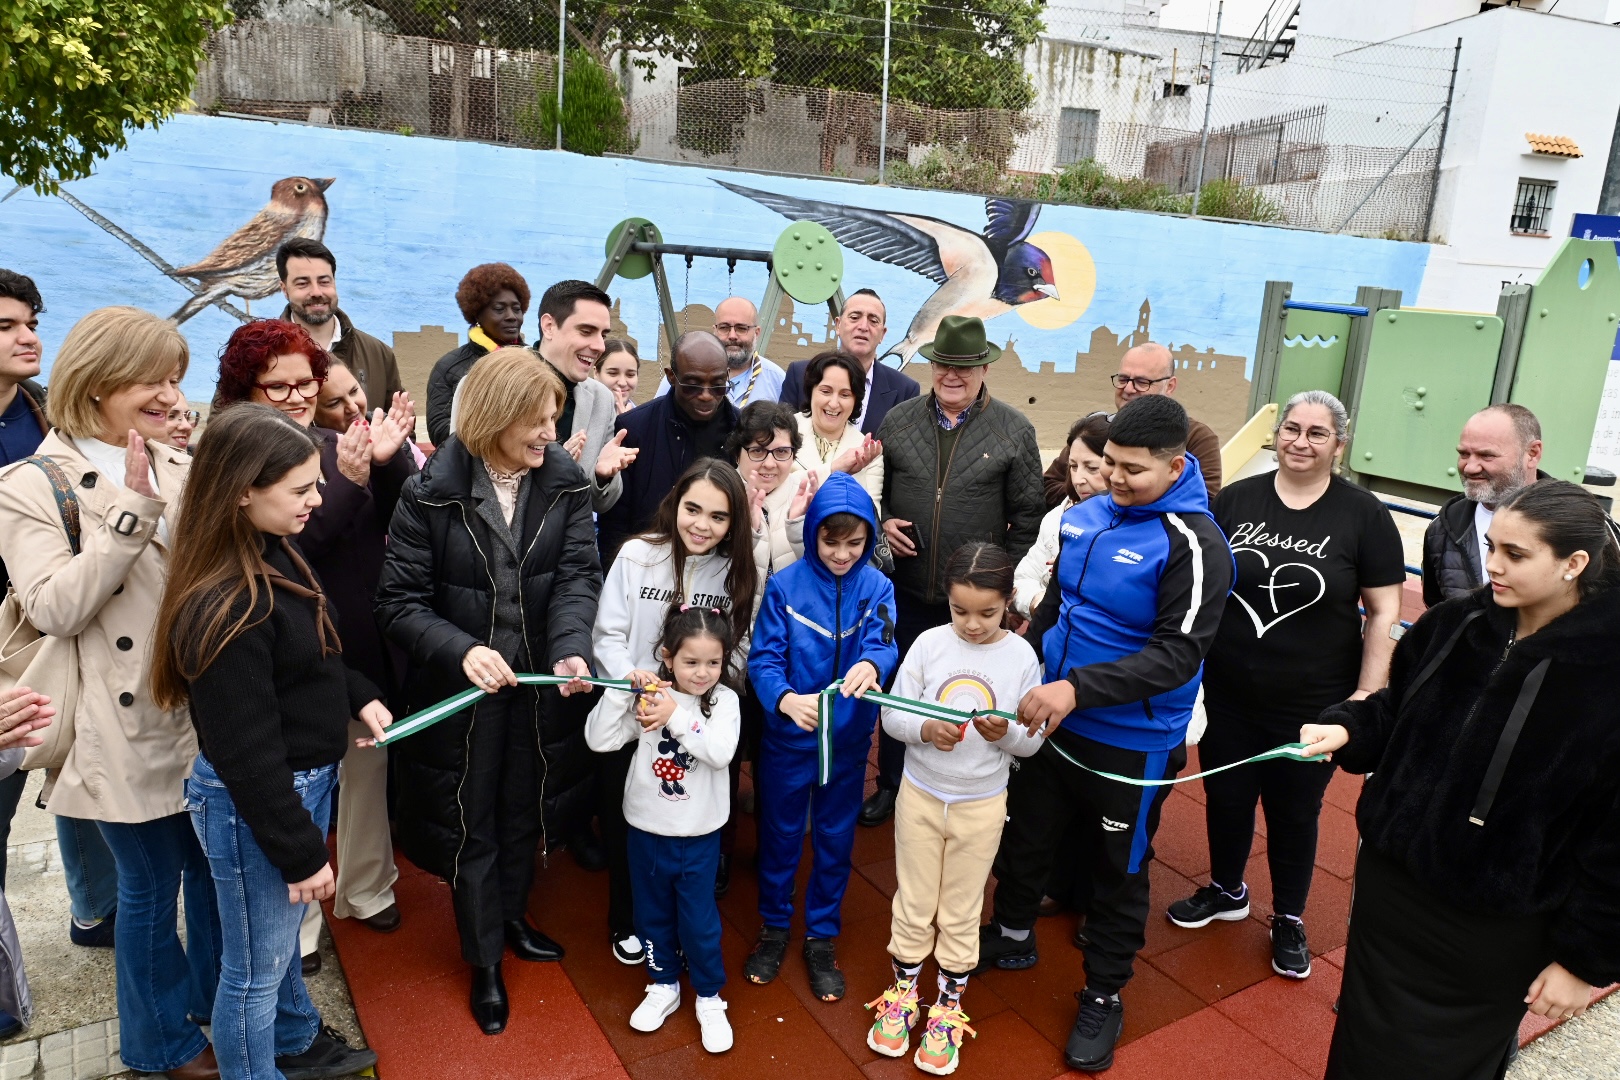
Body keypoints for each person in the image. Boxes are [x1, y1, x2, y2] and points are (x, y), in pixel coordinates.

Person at [1301, 479, 1620, 1078]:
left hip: (1493, 928)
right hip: (1391, 893)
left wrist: (1585, 960)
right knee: (1360, 1055)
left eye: (1515, 555)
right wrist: (1348, 729)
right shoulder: (1457, 622)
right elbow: (1403, 710)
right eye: (1491, 546)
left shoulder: (1608, 672)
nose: (1492, 566)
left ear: (1574, 564)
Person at [977, 394, 1233, 1073]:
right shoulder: (1083, 516)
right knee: (1028, 832)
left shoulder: (1197, 544)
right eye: (1107, 464)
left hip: (1130, 740)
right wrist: (1025, 663)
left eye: (1133, 470)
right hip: (1055, 722)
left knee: (1119, 872)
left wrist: (1077, 688)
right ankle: (1010, 933)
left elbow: (1178, 655)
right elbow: (1060, 602)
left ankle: (1103, 992)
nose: (1113, 479)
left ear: (1176, 466)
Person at [0, 307, 222, 1080]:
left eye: (176, 377)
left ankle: (207, 1009)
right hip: (112, 723)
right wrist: (129, 515)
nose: (171, 394)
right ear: (97, 384)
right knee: (152, 887)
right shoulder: (30, 482)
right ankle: (160, 1045)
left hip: (198, 711)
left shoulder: (178, 459)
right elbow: (54, 605)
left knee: (212, 873)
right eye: (152, 378)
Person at [152, 404, 382, 1080]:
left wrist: (357, 692)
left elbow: (312, 655)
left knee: (272, 954)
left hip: (293, 788)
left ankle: (294, 1039)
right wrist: (302, 852)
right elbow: (245, 753)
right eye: (303, 488)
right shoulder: (228, 602)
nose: (319, 498)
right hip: (260, 803)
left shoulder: (270, 549)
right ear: (244, 489)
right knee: (252, 971)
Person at [375, 349, 601, 1035]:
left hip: (535, 692)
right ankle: (483, 961)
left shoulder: (566, 485)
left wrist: (569, 648)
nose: (549, 436)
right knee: (471, 823)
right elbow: (399, 601)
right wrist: (464, 650)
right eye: (537, 422)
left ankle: (511, 917)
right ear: (495, 418)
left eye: (553, 420)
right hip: (463, 699)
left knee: (521, 810)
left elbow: (577, 580)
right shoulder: (428, 492)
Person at [1167, 391, 1405, 979]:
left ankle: (1290, 916)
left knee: (1295, 810)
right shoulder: (1239, 499)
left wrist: (1363, 698)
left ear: (1339, 446)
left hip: (1313, 700)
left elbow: (1382, 612)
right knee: (1226, 796)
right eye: (1292, 429)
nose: (1300, 441)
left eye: (1316, 434)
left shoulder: (1363, 514)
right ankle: (1226, 890)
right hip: (1229, 689)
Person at [213, 319, 418, 970]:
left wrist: (383, 467)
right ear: (246, 390)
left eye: (307, 382)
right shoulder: (235, 459)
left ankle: (366, 887)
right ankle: (298, 927)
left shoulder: (334, 443)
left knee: (368, 768)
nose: (300, 396)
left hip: (355, 637)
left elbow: (389, 522)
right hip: (285, 653)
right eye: (281, 387)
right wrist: (350, 486)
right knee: (299, 785)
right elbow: (284, 557)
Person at [865, 542, 1043, 1075]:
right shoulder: (927, 644)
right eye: (959, 610)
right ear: (945, 599)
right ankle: (902, 994)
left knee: (963, 908)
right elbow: (893, 717)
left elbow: (1031, 743)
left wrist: (1006, 732)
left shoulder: (1020, 657)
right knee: (915, 900)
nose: (971, 624)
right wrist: (924, 728)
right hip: (920, 795)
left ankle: (947, 1006)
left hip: (981, 804)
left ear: (1008, 603)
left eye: (987, 613)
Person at [865, 315, 1044, 827]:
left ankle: (979, 788)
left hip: (973, 601)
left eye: (966, 366)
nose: (953, 375)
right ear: (933, 364)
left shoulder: (1015, 430)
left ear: (984, 367)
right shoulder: (898, 421)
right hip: (905, 587)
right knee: (906, 690)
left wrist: (1002, 589)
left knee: (975, 691)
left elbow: (1028, 517)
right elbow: (870, 493)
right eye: (945, 363)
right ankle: (894, 785)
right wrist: (880, 526)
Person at [587, 460, 757, 966]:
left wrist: (692, 701)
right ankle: (628, 920)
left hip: (698, 718)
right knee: (626, 822)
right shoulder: (638, 555)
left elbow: (741, 648)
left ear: (734, 523)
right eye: (692, 509)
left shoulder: (737, 571)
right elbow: (608, 634)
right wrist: (636, 684)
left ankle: (687, 928)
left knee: (693, 821)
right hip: (633, 711)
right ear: (675, 504)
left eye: (719, 517)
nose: (702, 525)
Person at [0, 271, 122, 964]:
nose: (27, 336)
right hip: (8, 637)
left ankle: (94, 907)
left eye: (32, 321)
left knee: (71, 764)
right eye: (6, 326)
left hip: (57, 620)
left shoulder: (44, 412)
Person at [745, 472, 899, 1003]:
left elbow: (883, 641)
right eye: (830, 541)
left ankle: (821, 936)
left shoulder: (878, 585)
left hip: (849, 741)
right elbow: (764, 658)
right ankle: (773, 927)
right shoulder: (786, 586)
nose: (841, 554)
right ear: (811, 534)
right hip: (789, 740)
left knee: (835, 839)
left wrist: (874, 665)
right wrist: (784, 700)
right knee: (781, 836)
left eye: (855, 543)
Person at [585, 605, 741, 1054]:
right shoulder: (651, 694)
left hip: (698, 834)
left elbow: (719, 752)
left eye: (713, 662)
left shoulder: (725, 702)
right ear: (668, 657)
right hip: (647, 829)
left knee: (699, 920)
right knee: (650, 914)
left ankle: (710, 998)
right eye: (691, 662)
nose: (703, 672)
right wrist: (622, 693)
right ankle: (663, 984)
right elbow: (599, 739)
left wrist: (674, 713)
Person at [597, 332, 739, 563]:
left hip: (716, 572)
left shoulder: (742, 431)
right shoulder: (634, 429)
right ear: (671, 377)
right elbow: (615, 526)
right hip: (645, 569)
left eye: (718, 385)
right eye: (692, 386)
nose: (706, 395)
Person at [1042, 342, 1223, 506]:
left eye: (1142, 382)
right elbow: (1047, 485)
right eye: (1123, 379)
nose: (1128, 389)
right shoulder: (1096, 428)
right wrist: (1090, 500)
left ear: (1170, 386)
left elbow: (1205, 501)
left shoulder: (1196, 437)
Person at [523, 280, 635, 513]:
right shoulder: (492, 384)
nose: (600, 346)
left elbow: (601, 503)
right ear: (549, 326)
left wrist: (602, 475)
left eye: (603, 334)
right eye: (586, 331)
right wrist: (554, 465)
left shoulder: (601, 399)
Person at [1422, 404, 1546, 606]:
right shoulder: (1442, 528)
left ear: (1532, 453)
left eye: (1486, 455)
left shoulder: (1580, 524)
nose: (1470, 467)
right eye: (1464, 454)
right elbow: (1436, 611)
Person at [276, 237, 406, 411]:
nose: (316, 292)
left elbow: (401, 430)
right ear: (284, 289)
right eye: (303, 283)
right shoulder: (264, 354)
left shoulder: (379, 354)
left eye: (324, 281)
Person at [780, 289, 919, 435]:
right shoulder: (800, 375)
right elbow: (782, 437)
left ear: (882, 334)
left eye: (873, 321)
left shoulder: (905, 390)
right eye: (854, 317)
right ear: (838, 325)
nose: (863, 327)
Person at [1014, 412, 1110, 621]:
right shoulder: (1057, 516)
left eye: (1092, 468)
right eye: (1073, 466)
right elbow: (1023, 579)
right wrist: (1038, 602)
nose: (1078, 479)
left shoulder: (1142, 525)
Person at [426, 263, 530, 446]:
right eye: (499, 309)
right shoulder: (449, 367)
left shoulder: (535, 361)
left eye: (517, 308)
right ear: (477, 314)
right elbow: (439, 431)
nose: (512, 316)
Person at [794, 351, 884, 514]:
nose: (834, 403)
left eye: (845, 394)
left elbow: (871, 516)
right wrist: (834, 469)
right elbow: (774, 492)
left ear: (856, 400)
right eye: (826, 391)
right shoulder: (781, 433)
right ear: (811, 391)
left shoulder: (868, 454)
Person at [655, 297, 787, 407]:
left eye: (741, 328)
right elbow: (658, 417)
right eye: (724, 328)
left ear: (756, 333)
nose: (732, 335)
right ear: (715, 330)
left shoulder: (777, 379)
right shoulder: (682, 374)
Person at [316, 357, 427, 468]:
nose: (353, 407)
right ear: (313, 412)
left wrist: (390, 459)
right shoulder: (316, 459)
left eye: (354, 391)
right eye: (335, 403)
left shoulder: (386, 427)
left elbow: (425, 475)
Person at [595, 339, 641, 414]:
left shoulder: (645, 420)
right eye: (613, 373)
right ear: (596, 373)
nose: (622, 383)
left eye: (630, 375)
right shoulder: (579, 412)